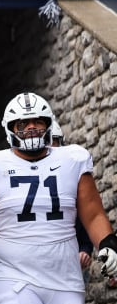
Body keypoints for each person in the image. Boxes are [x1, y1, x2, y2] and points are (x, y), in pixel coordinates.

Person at [0, 92, 117, 304]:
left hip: (65, 278)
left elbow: (93, 215)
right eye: (23, 123)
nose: (32, 127)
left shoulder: (72, 159)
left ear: (49, 124)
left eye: (38, 121)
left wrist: (108, 244)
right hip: (13, 276)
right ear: (10, 128)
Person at [51, 117, 94, 283]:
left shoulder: (71, 180)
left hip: (66, 266)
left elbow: (88, 217)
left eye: (54, 143)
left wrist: (84, 249)